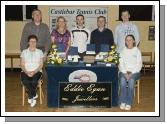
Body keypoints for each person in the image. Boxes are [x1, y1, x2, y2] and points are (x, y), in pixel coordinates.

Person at [119, 34, 142, 110]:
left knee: (131, 81)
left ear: (134, 41)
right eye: (127, 40)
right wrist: (125, 73)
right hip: (124, 71)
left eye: (130, 40)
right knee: (122, 81)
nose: (128, 41)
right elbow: (121, 63)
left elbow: (139, 64)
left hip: (135, 72)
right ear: (125, 41)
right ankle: (123, 101)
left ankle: (128, 102)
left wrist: (131, 73)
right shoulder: (123, 51)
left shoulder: (137, 51)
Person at [20, 35, 43, 107]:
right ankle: (33, 95)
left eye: (34, 41)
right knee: (26, 81)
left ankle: (30, 96)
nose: (33, 43)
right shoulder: (24, 52)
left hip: (37, 71)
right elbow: (22, 65)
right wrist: (27, 72)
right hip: (25, 71)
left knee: (33, 81)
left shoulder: (40, 52)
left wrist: (34, 72)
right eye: (31, 41)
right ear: (28, 42)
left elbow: (41, 65)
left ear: (36, 43)